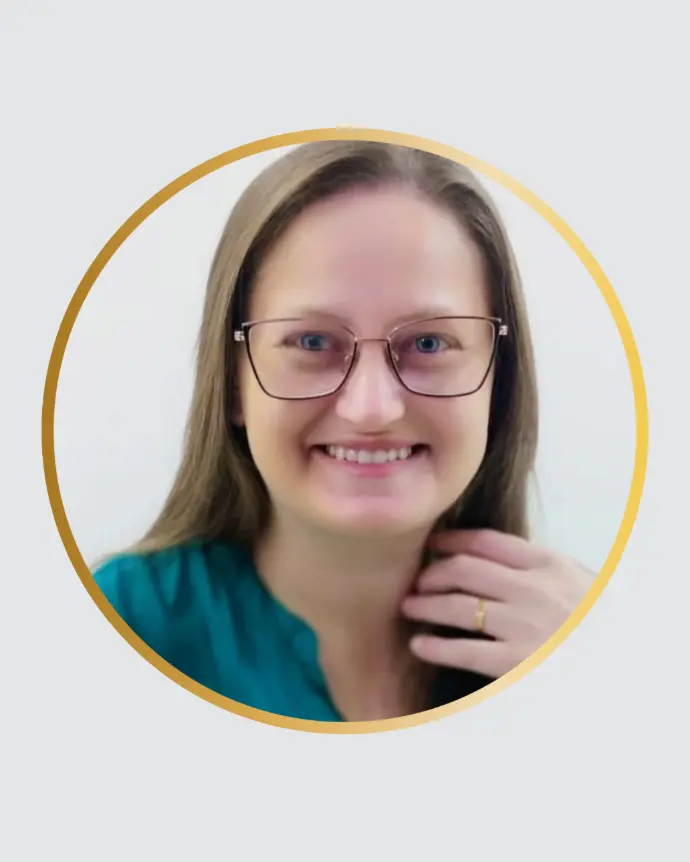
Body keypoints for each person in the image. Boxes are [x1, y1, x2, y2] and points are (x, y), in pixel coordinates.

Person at [93, 140, 591, 722]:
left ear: (497, 382)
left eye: (429, 342)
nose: (371, 409)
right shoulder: (122, 625)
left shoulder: (572, 638)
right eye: (312, 342)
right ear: (232, 383)